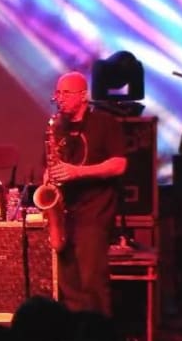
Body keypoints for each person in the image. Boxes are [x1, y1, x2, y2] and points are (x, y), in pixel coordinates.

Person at [45, 71, 126, 316]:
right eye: (57, 93)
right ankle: (75, 338)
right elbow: (50, 166)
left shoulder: (104, 123)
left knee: (92, 282)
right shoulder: (57, 126)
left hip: (94, 212)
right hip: (65, 212)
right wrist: (48, 182)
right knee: (69, 284)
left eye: (66, 93)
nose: (59, 98)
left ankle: (101, 339)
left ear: (84, 96)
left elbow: (119, 164)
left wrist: (77, 173)